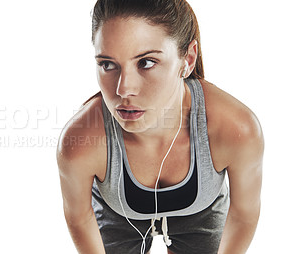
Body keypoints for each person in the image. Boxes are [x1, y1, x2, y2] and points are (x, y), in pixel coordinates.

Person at [56, 0, 264, 253]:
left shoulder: (237, 129)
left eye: (146, 62)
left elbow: (244, 215)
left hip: (201, 212)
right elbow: (79, 218)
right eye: (107, 64)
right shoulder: (79, 142)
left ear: (187, 59)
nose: (124, 89)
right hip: (117, 215)